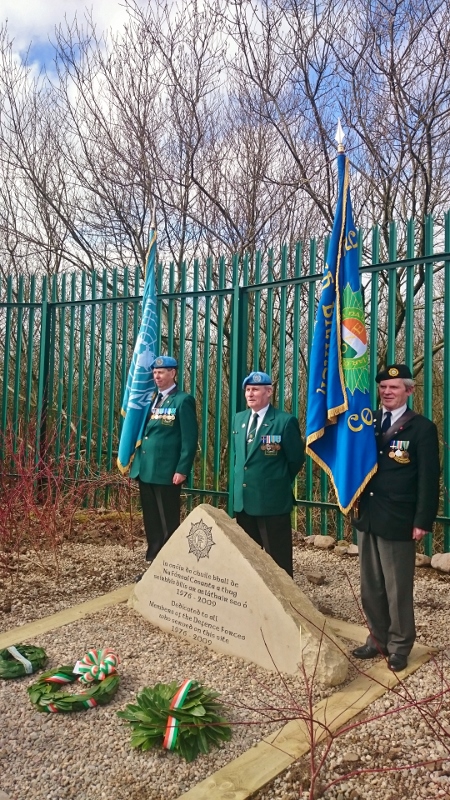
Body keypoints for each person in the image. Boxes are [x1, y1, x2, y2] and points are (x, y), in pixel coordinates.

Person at [352, 364, 440, 672]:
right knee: (371, 585)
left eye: (394, 387)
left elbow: (429, 479)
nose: (387, 392)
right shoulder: (368, 421)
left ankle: (400, 645)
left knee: (397, 587)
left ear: (409, 391)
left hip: (399, 518)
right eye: (383, 387)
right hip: (369, 515)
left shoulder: (422, 428)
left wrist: (422, 521)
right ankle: (377, 639)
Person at [232, 371, 305, 577]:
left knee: (277, 560)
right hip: (244, 501)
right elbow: (240, 460)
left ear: (269, 392)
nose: (250, 394)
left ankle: (283, 604)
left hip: (272, 501)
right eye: (247, 390)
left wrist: (276, 483)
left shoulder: (284, 421)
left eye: (255, 389)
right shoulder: (239, 419)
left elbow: (295, 460)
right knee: (247, 558)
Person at [130, 355, 198, 563]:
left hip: (167, 471)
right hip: (146, 469)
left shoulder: (183, 400)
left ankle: (170, 562)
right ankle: (153, 559)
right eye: (155, 373)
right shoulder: (151, 399)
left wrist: (182, 469)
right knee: (151, 519)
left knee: (168, 520)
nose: (157, 376)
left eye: (161, 372)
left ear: (173, 373)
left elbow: (189, 439)